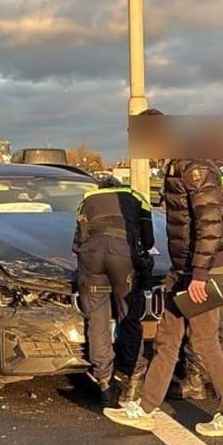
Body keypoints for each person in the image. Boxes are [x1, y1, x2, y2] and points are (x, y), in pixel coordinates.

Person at [104, 154, 223, 438]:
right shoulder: (176, 166)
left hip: (202, 270)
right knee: (167, 339)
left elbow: (210, 225)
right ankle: (145, 410)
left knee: (205, 342)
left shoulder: (195, 167)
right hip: (184, 269)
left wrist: (199, 274)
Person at [74, 174, 154, 406]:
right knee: (128, 315)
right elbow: (148, 241)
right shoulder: (136, 196)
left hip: (90, 258)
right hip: (121, 255)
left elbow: (78, 236)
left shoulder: (86, 199)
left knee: (97, 320)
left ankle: (105, 384)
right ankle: (134, 376)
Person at [176, 157, 223, 400]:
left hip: (216, 252)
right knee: (221, 316)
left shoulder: (209, 170)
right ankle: (220, 380)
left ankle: (202, 380)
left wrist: (199, 269)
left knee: (205, 320)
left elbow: (208, 221)